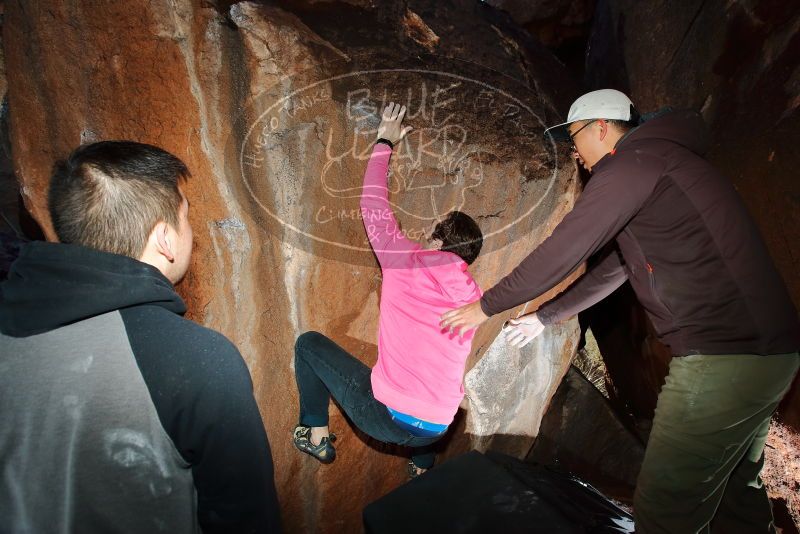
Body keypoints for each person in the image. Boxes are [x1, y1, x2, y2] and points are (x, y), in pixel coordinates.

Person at [440, 89, 800, 532]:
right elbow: (616, 269)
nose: (574, 152)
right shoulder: (662, 164)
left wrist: (485, 305)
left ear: (602, 127)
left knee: (664, 512)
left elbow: (568, 246)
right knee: (732, 493)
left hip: (722, 358)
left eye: (574, 137)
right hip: (765, 360)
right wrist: (543, 317)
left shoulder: (631, 163)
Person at [0, 141, 281, 533]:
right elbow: (247, 521)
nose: (191, 231)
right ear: (165, 238)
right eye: (186, 216)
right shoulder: (197, 360)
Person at [292, 102, 484, 476]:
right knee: (423, 400)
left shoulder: (407, 263)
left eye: (431, 229)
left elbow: (373, 207)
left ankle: (315, 436)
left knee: (308, 344)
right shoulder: (475, 299)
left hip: (385, 418)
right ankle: (423, 467)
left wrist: (384, 141)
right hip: (438, 427)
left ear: (435, 239)